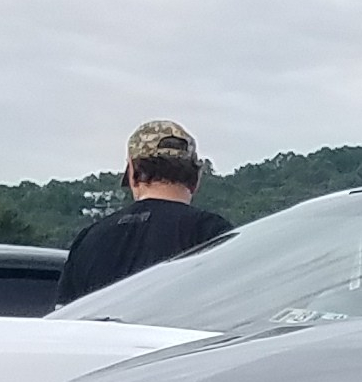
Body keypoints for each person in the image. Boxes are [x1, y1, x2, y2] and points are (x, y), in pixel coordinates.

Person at [56, 120, 232, 302]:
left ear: (133, 172)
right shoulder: (211, 233)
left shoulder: (87, 240)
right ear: (196, 177)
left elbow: (64, 320)